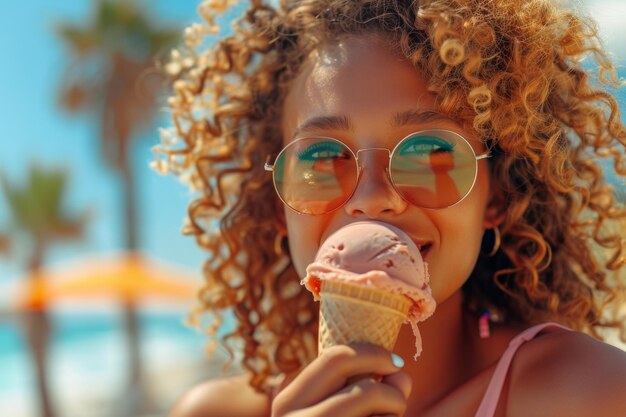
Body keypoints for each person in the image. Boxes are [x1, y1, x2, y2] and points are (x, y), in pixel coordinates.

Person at [153, 0, 626, 415]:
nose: (373, 196)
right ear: (280, 210)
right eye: (319, 158)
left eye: (429, 155)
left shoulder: (589, 395)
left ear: (496, 196)